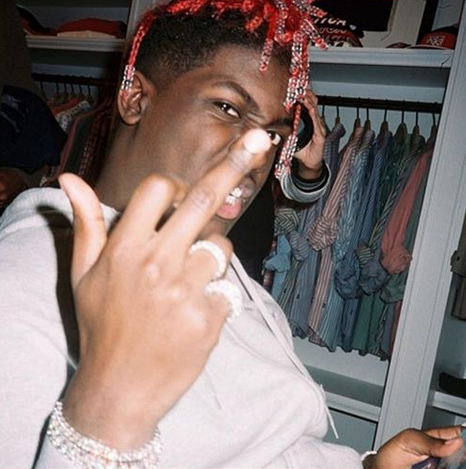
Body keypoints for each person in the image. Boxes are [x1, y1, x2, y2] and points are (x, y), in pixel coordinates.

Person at [0, 0, 464, 468]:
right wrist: (105, 414)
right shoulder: (23, 287)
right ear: (135, 97)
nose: (258, 154)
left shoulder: (222, 272)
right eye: (227, 108)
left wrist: (366, 467)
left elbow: (269, 447)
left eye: (274, 133)